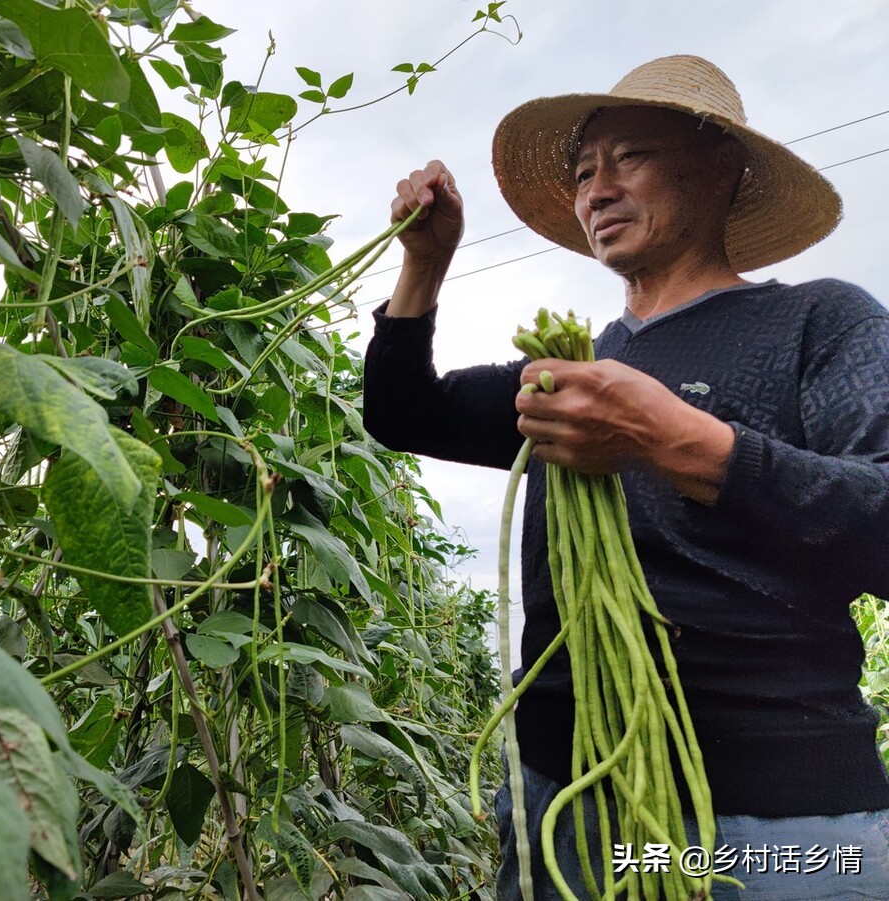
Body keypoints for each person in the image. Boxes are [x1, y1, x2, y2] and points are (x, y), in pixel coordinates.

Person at [362, 55, 889, 899]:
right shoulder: (572, 375)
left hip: (775, 821)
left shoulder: (819, 321)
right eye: (582, 173)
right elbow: (402, 412)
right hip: (565, 799)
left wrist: (677, 439)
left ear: (720, 167)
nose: (596, 191)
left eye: (629, 157)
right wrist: (423, 263)